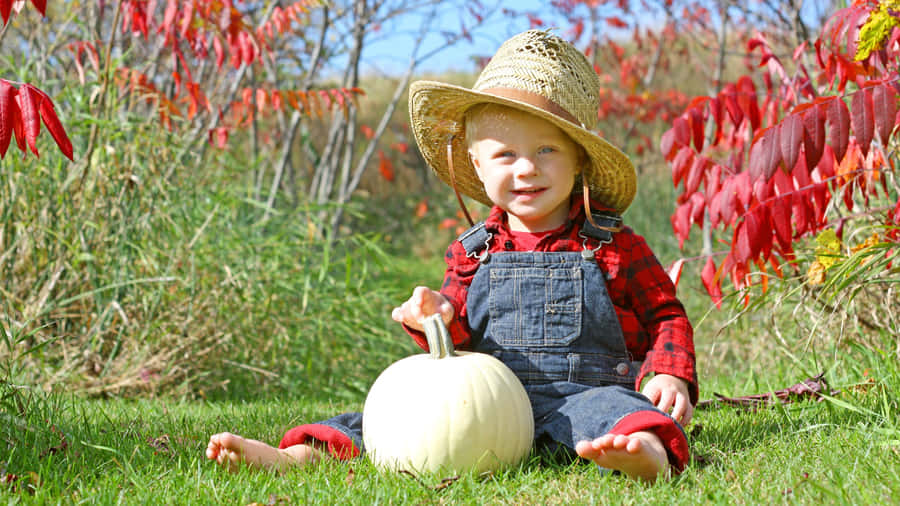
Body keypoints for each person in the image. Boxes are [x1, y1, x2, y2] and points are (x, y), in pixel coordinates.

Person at [206, 29, 697, 483]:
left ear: (578, 163)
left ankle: (642, 452)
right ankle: (298, 455)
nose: (526, 168)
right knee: (386, 422)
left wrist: (671, 371)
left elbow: (665, 311)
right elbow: (457, 344)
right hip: (487, 408)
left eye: (547, 150)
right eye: (505, 155)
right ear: (478, 168)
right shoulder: (473, 253)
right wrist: (435, 317)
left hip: (582, 396)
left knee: (618, 410)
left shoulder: (612, 243)